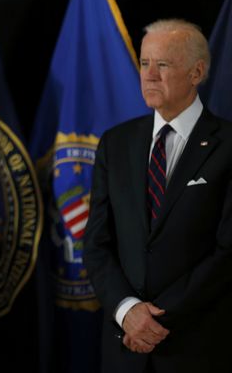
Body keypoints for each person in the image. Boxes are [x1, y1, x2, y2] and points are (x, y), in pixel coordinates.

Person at [84, 19, 232, 372]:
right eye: (144, 63)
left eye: (162, 65)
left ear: (196, 73)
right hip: (125, 350)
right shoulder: (115, 143)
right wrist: (127, 310)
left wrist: (155, 320)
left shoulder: (227, 146)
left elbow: (227, 252)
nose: (149, 75)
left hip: (196, 348)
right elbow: (97, 243)